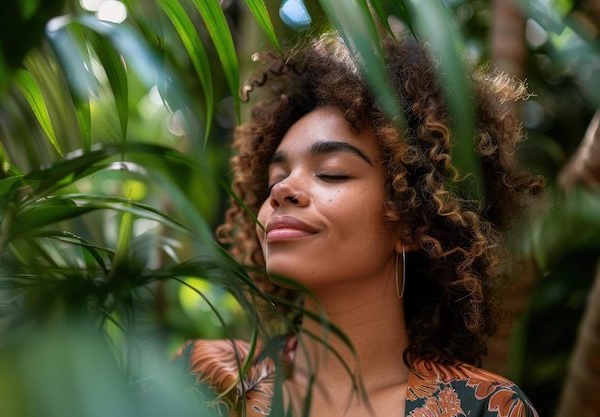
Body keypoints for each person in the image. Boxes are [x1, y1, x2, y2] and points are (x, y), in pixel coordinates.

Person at [172, 29, 544, 417]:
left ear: (413, 223)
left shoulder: (486, 407)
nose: (282, 191)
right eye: (274, 179)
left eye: (332, 173)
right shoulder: (203, 377)